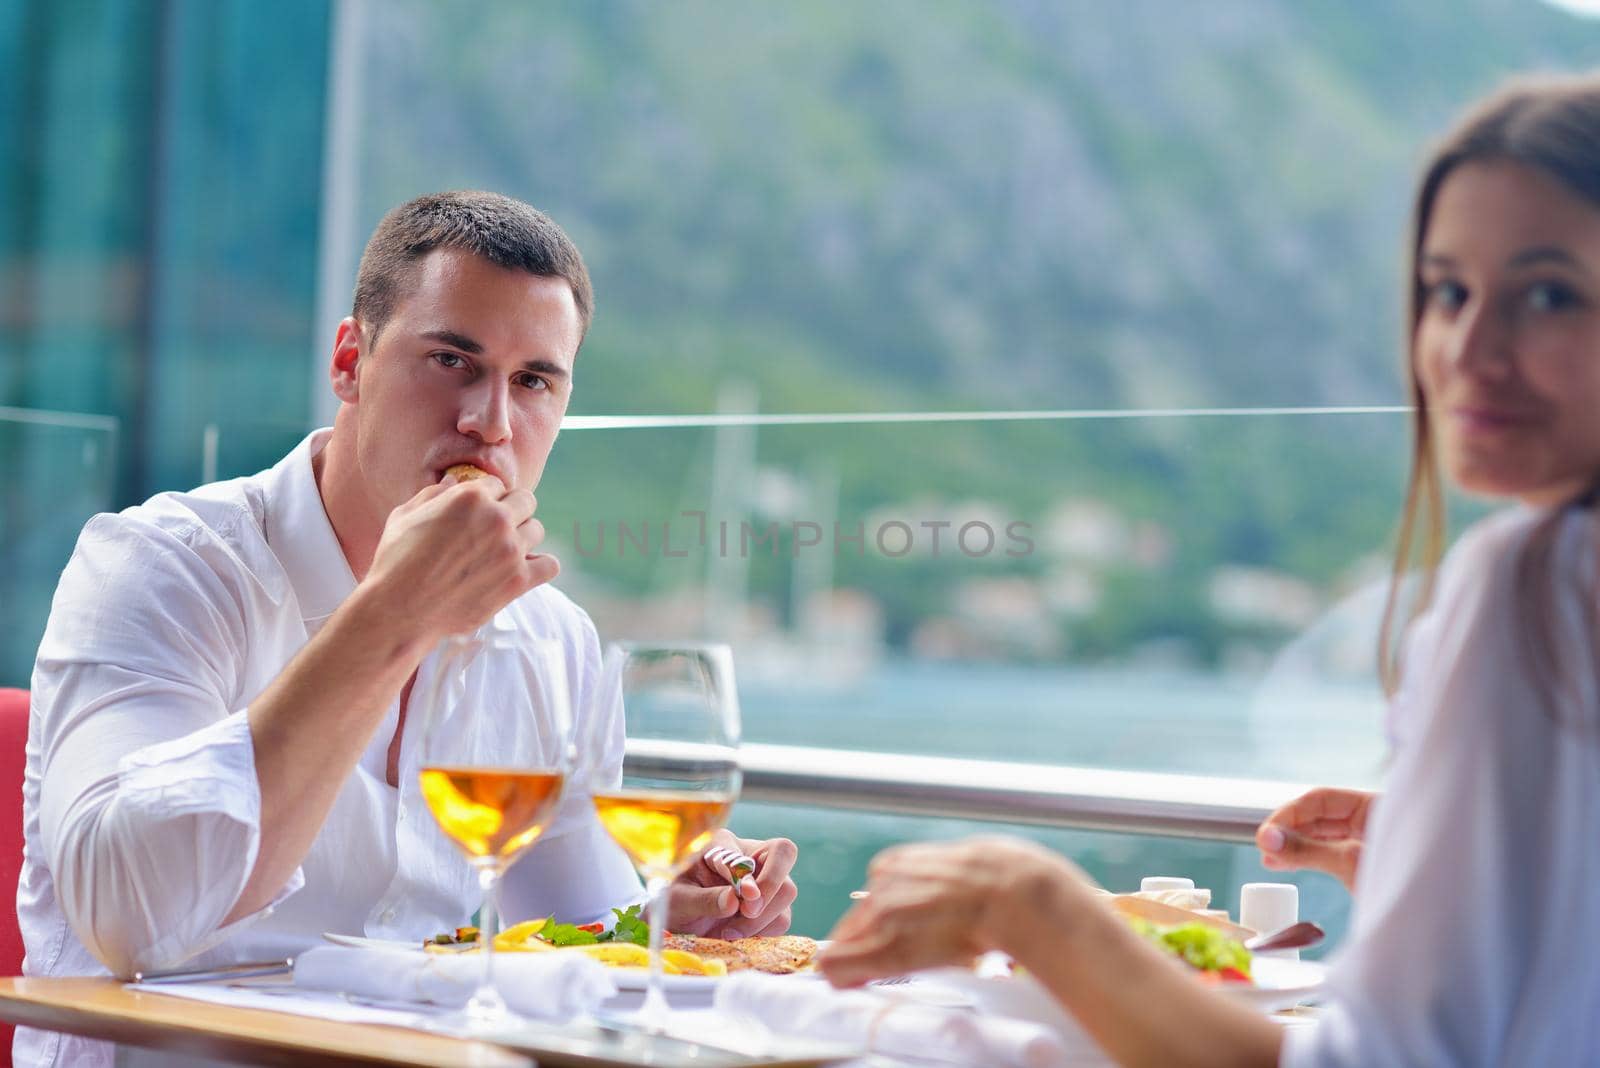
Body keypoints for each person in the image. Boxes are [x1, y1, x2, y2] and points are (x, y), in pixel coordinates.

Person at [819, 72, 1600, 1066]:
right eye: (1446, 290)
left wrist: (1034, 905)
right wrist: (1440, 867)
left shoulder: (1534, 582)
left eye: (1546, 295)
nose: (1466, 348)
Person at [18, 191, 798, 1068]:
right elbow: (127, 918)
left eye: (534, 381)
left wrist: (668, 906)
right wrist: (395, 614)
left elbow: (573, 930)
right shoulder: (159, 567)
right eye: (451, 360)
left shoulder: (554, 638)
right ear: (351, 361)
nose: (490, 423)